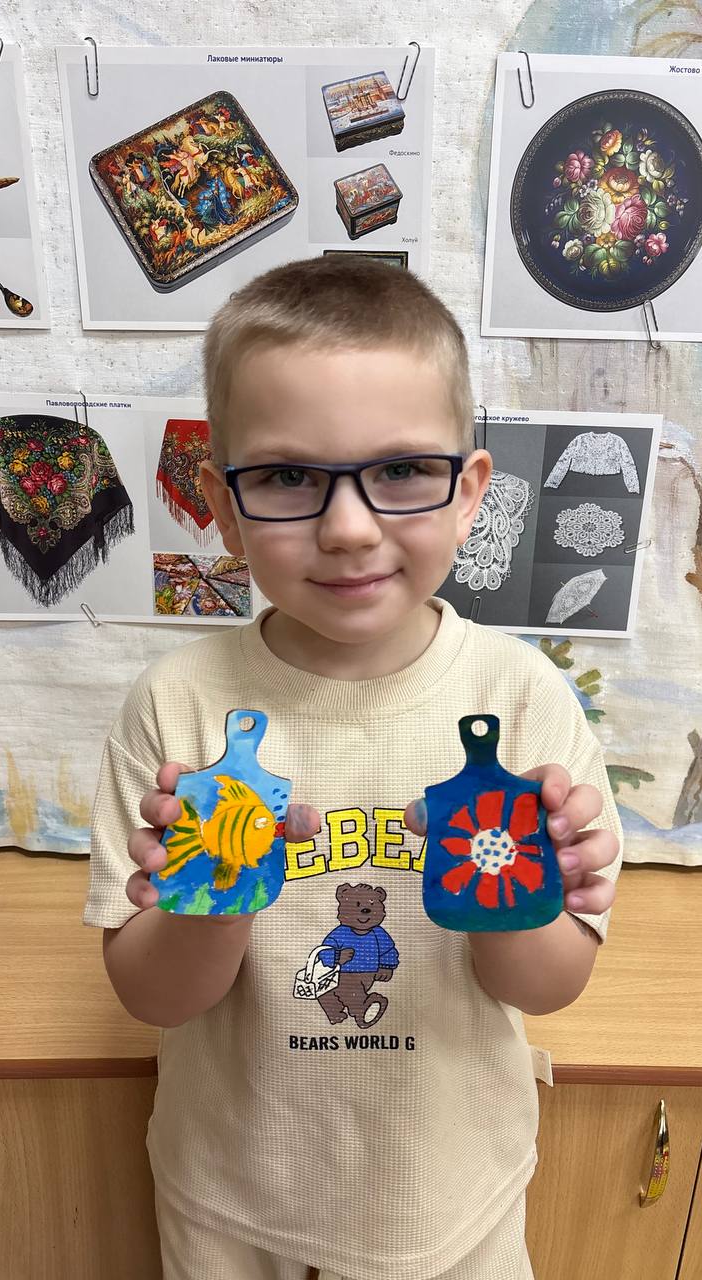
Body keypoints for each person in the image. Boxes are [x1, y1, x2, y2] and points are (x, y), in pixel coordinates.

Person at [85, 256, 623, 1280]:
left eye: (403, 470)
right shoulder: (177, 707)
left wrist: (515, 896)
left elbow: (551, 985)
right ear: (223, 506)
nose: (346, 527)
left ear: (470, 494)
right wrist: (214, 893)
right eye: (288, 477)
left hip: (452, 1197)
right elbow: (151, 996)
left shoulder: (522, 700)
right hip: (232, 1198)